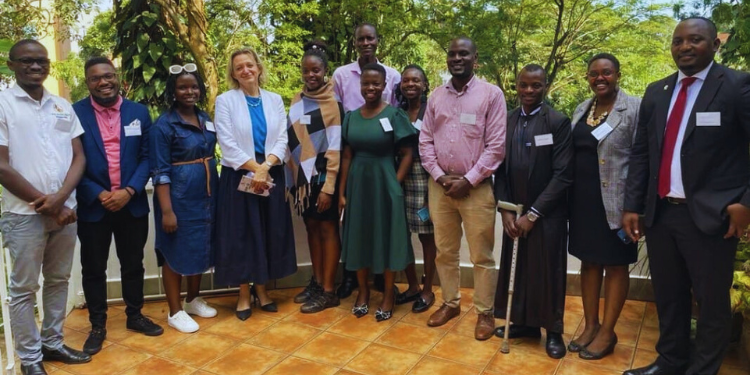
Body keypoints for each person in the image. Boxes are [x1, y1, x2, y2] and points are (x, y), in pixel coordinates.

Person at [622, 17, 750, 375]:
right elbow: (642, 153)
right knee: (669, 296)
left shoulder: (736, 86)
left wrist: (747, 202)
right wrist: (633, 205)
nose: (685, 47)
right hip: (662, 214)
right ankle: (671, 361)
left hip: (711, 216)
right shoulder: (657, 91)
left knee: (710, 304)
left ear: (714, 44)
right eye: (678, 41)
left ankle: (702, 370)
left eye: (695, 40)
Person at [0, 39, 90, 375]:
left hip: (66, 211)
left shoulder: (62, 105)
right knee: (23, 289)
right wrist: (52, 206)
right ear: (11, 64)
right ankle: (30, 359)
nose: (35, 67)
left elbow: (79, 156)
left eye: (41, 61)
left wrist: (62, 198)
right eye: (26, 61)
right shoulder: (3, 104)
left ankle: (52, 343)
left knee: (58, 280)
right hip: (24, 216)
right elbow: (2, 166)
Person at [73, 57, 163, 355]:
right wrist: (99, 194)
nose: (104, 82)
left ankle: (134, 315)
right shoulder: (74, 113)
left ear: (117, 77)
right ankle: (98, 324)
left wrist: (129, 190)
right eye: (96, 78)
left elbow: (147, 157)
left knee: (133, 263)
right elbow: (70, 161)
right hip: (94, 206)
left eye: (108, 76)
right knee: (94, 268)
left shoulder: (138, 112)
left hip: (132, 203)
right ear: (88, 82)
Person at [419, 37, 506, 341]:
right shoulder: (435, 97)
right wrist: (441, 176)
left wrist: (468, 180)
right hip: (440, 186)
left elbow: (496, 147)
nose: (457, 58)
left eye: (463, 54)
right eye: (452, 53)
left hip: (477, 188)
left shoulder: (491, 95)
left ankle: (485, 312)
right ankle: (450, 303)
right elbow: (425, 141)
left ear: (475, 58)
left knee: (482, 255)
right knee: (445, 251)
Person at [493, 64, 573, 358]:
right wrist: (505, 210)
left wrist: (534, 214)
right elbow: (498, 169)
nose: (529, 91)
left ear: (545, 86)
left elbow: (563, 174)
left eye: (535, 86)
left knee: (548, 271)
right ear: (516, 85)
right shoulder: (508, 120)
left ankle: (553, 330)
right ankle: (524, 324)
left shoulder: (557, 121)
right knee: (521, 268)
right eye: (524, 85)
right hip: (514, 211)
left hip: (546, 214)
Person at [566, 54, 641, 360]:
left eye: (606, 73)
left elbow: (642, 159)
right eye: (594, 73)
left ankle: (608, 331)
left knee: (615, 263)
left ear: (617, 74)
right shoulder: (582, 108)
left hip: (618, 205)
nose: (600, 78)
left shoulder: (634, 108)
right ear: (587, 77)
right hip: (582, 201)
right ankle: (591, 325)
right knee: (589, 261)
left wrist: (634, 206)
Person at [214, 47, 297, 321]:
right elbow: (226, 143)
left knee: (267, 230)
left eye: (250, 65)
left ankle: (262, 291)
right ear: (234, 74)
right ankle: (242, 294)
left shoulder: (274, 100)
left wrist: (266, 167)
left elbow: (282, 138)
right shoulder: (225, 101)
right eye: (239, 68)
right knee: (242, 234)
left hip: (271, 172)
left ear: (259, 68)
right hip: (239, 174)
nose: (245, 70)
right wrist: (255, 169)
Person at [338, 62, 416, 322]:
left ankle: (387, 296)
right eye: (366, 84)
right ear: (360, 86)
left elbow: (407, 153)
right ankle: (362, 293)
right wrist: (342, 191)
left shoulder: (394, 115)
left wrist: (396, 182)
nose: (370, 88)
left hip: (386, 182)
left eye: (376, 84)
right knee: (359, 235)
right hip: (359, 183)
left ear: (384, 86)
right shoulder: (351, 117)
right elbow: (347, 156)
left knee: (388, 237)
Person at [332, 22, 401, 298]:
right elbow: (336, 112)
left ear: (377, 40)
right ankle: (351, 280)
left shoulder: (393, 75)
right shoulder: (341, 74)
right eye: (360, 38)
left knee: (382, 221)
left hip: (383, 155)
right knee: (356, 221)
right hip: (354, 145)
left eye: (370, 38)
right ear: (355, 41)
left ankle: (380, 282)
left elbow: (397, 114)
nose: (365, 42)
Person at [150, 64, 219, 333]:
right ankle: (174, 310)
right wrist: (167, 211)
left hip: (206, 195)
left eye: (193, 86)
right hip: (178, 198)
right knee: (175, 250)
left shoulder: (205, 118)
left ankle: (192, 300)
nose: (189, 91)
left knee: (199, 246)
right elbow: (160, 171)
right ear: (173, 91)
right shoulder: (164, 126)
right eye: (182, 87)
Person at [286, 40, 344, 313]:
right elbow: (292, 140)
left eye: (316, 70)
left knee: (328, 229)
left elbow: (335, 147)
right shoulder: (297, 100)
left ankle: (330, 291)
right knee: (311, 228)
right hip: (302, 182)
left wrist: (329, 187)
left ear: (325, 71)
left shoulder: (332, 104)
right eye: (306, 70)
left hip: (322, 179)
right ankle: (318, 283)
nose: (311, 75)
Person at [393, 64, 438, 313]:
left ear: (424, 84)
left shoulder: (432, 111)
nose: (410, 84)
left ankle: (428, 289)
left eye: (416, 80)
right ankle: (412, 286)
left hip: (426, 178)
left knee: (427, 236)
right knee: (401, 235)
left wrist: (434, 192)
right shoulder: (397, 113)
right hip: (399, 176)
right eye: (406, 80)